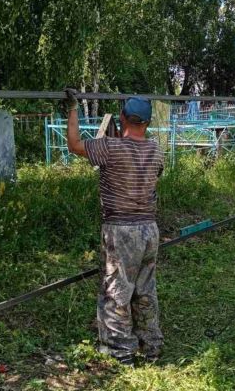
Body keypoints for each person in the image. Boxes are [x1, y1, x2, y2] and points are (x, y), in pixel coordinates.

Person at [65, 89, 164, 366]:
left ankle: (121, 353)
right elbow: (155, 176)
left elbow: (74, 145)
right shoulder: (156, 149)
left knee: (117, 291)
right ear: (147, 123)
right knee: (145, 290)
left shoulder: (111, 147)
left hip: (121, 228)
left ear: (121, 119)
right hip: (149, 228)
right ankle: (151, 346)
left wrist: (73, 108)